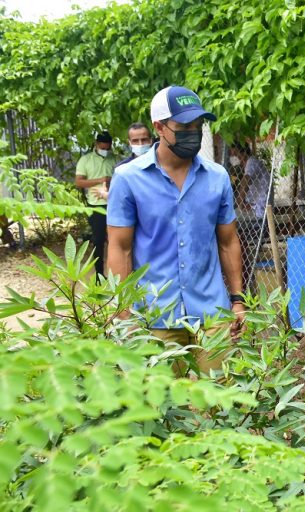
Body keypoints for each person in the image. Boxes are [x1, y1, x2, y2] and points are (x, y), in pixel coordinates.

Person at [106, 85, 245, 375]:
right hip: (154, 315)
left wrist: (237, 301)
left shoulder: (217, 178)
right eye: (184, 126)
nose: (193, 132)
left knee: (224, 403)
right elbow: (121, 248)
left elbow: (228, 242)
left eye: (198, 125)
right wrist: (124, 314)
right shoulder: (129, 179)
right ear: (159, 127)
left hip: (212, 311)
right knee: (162, 408)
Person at [75, 130, 119, 276]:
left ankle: (117, 274)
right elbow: (79, 182)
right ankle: (100, 275)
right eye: (103, 148)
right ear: (96, 144)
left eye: (108, 148)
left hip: (114, 203)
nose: (105, 150)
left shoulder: (115, 159)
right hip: (95, 205)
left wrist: (110, 181)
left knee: (116, 241)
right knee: (99, 240)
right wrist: (100, 180)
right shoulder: (85, 160)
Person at [231, 141, 271, 291]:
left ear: (241, 154)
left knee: (232, 221)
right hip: (257, 206)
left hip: (261, 210)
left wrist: (239, 203)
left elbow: (245, 183)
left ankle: (242, 257)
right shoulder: (250, 163)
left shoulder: (251, 163)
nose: (232, 157)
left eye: (234, 154)